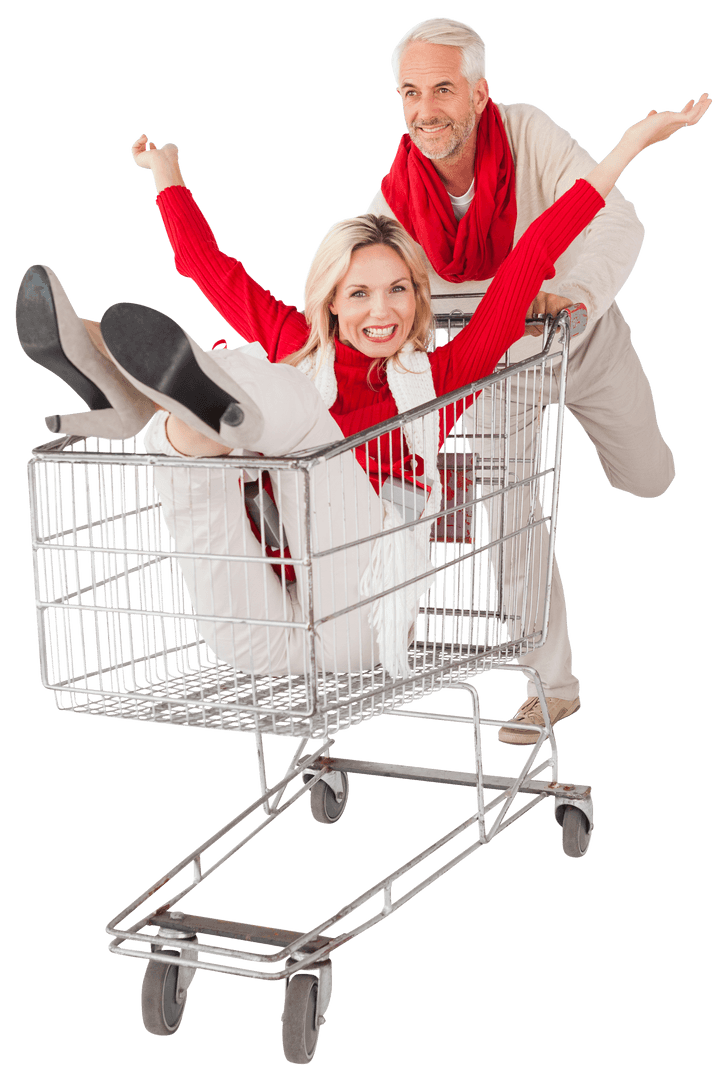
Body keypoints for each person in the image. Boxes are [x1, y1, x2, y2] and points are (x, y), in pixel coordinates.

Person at [15, 98, 709, 686]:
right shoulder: (301, 338)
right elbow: (204, 264)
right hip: (273, 638)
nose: (383, 311)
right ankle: (164, 415)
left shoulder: (441, 377)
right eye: (360, 293)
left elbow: (529, 259)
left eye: (400, 290)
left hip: (366, 602)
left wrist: (626, 148)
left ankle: (153, 398)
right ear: (334, 302)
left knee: (286, 405)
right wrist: (164, 170)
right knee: (194, 472)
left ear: (417, 298)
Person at [367, 16, 709, 742]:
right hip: (496, 365)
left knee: (648, 478)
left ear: (480, 92)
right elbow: (359, 275)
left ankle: (636, 458)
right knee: (510, 518)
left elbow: (616, 220)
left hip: (580, 339)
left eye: (443, 89)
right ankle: (552, 687)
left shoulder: (527, 134)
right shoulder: (397, 194)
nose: (425, 110)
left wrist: (574, 297)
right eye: (409, 92)